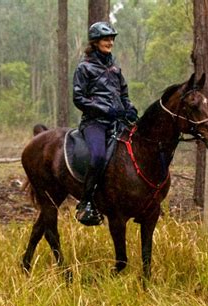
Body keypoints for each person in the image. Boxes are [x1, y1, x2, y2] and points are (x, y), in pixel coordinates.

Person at [73, 21, 138, 226]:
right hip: (95, 123)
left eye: (111, 39)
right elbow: (78, 98)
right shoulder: (84, 68)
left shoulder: (115, 68)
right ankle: (86, 203)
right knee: (99, 156)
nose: (110, 42)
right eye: (106, 39)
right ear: (95, 42)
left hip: (117, 122)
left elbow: (124, 94)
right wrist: (104, 109)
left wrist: (129, 108)